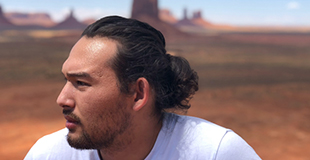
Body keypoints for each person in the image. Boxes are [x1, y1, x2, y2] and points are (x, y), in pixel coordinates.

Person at [24, 16, 261, 160]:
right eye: (66, 80)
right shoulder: (47, 154)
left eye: (81, 83)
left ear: (138, 94)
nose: (62, 99)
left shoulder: (216, 153)